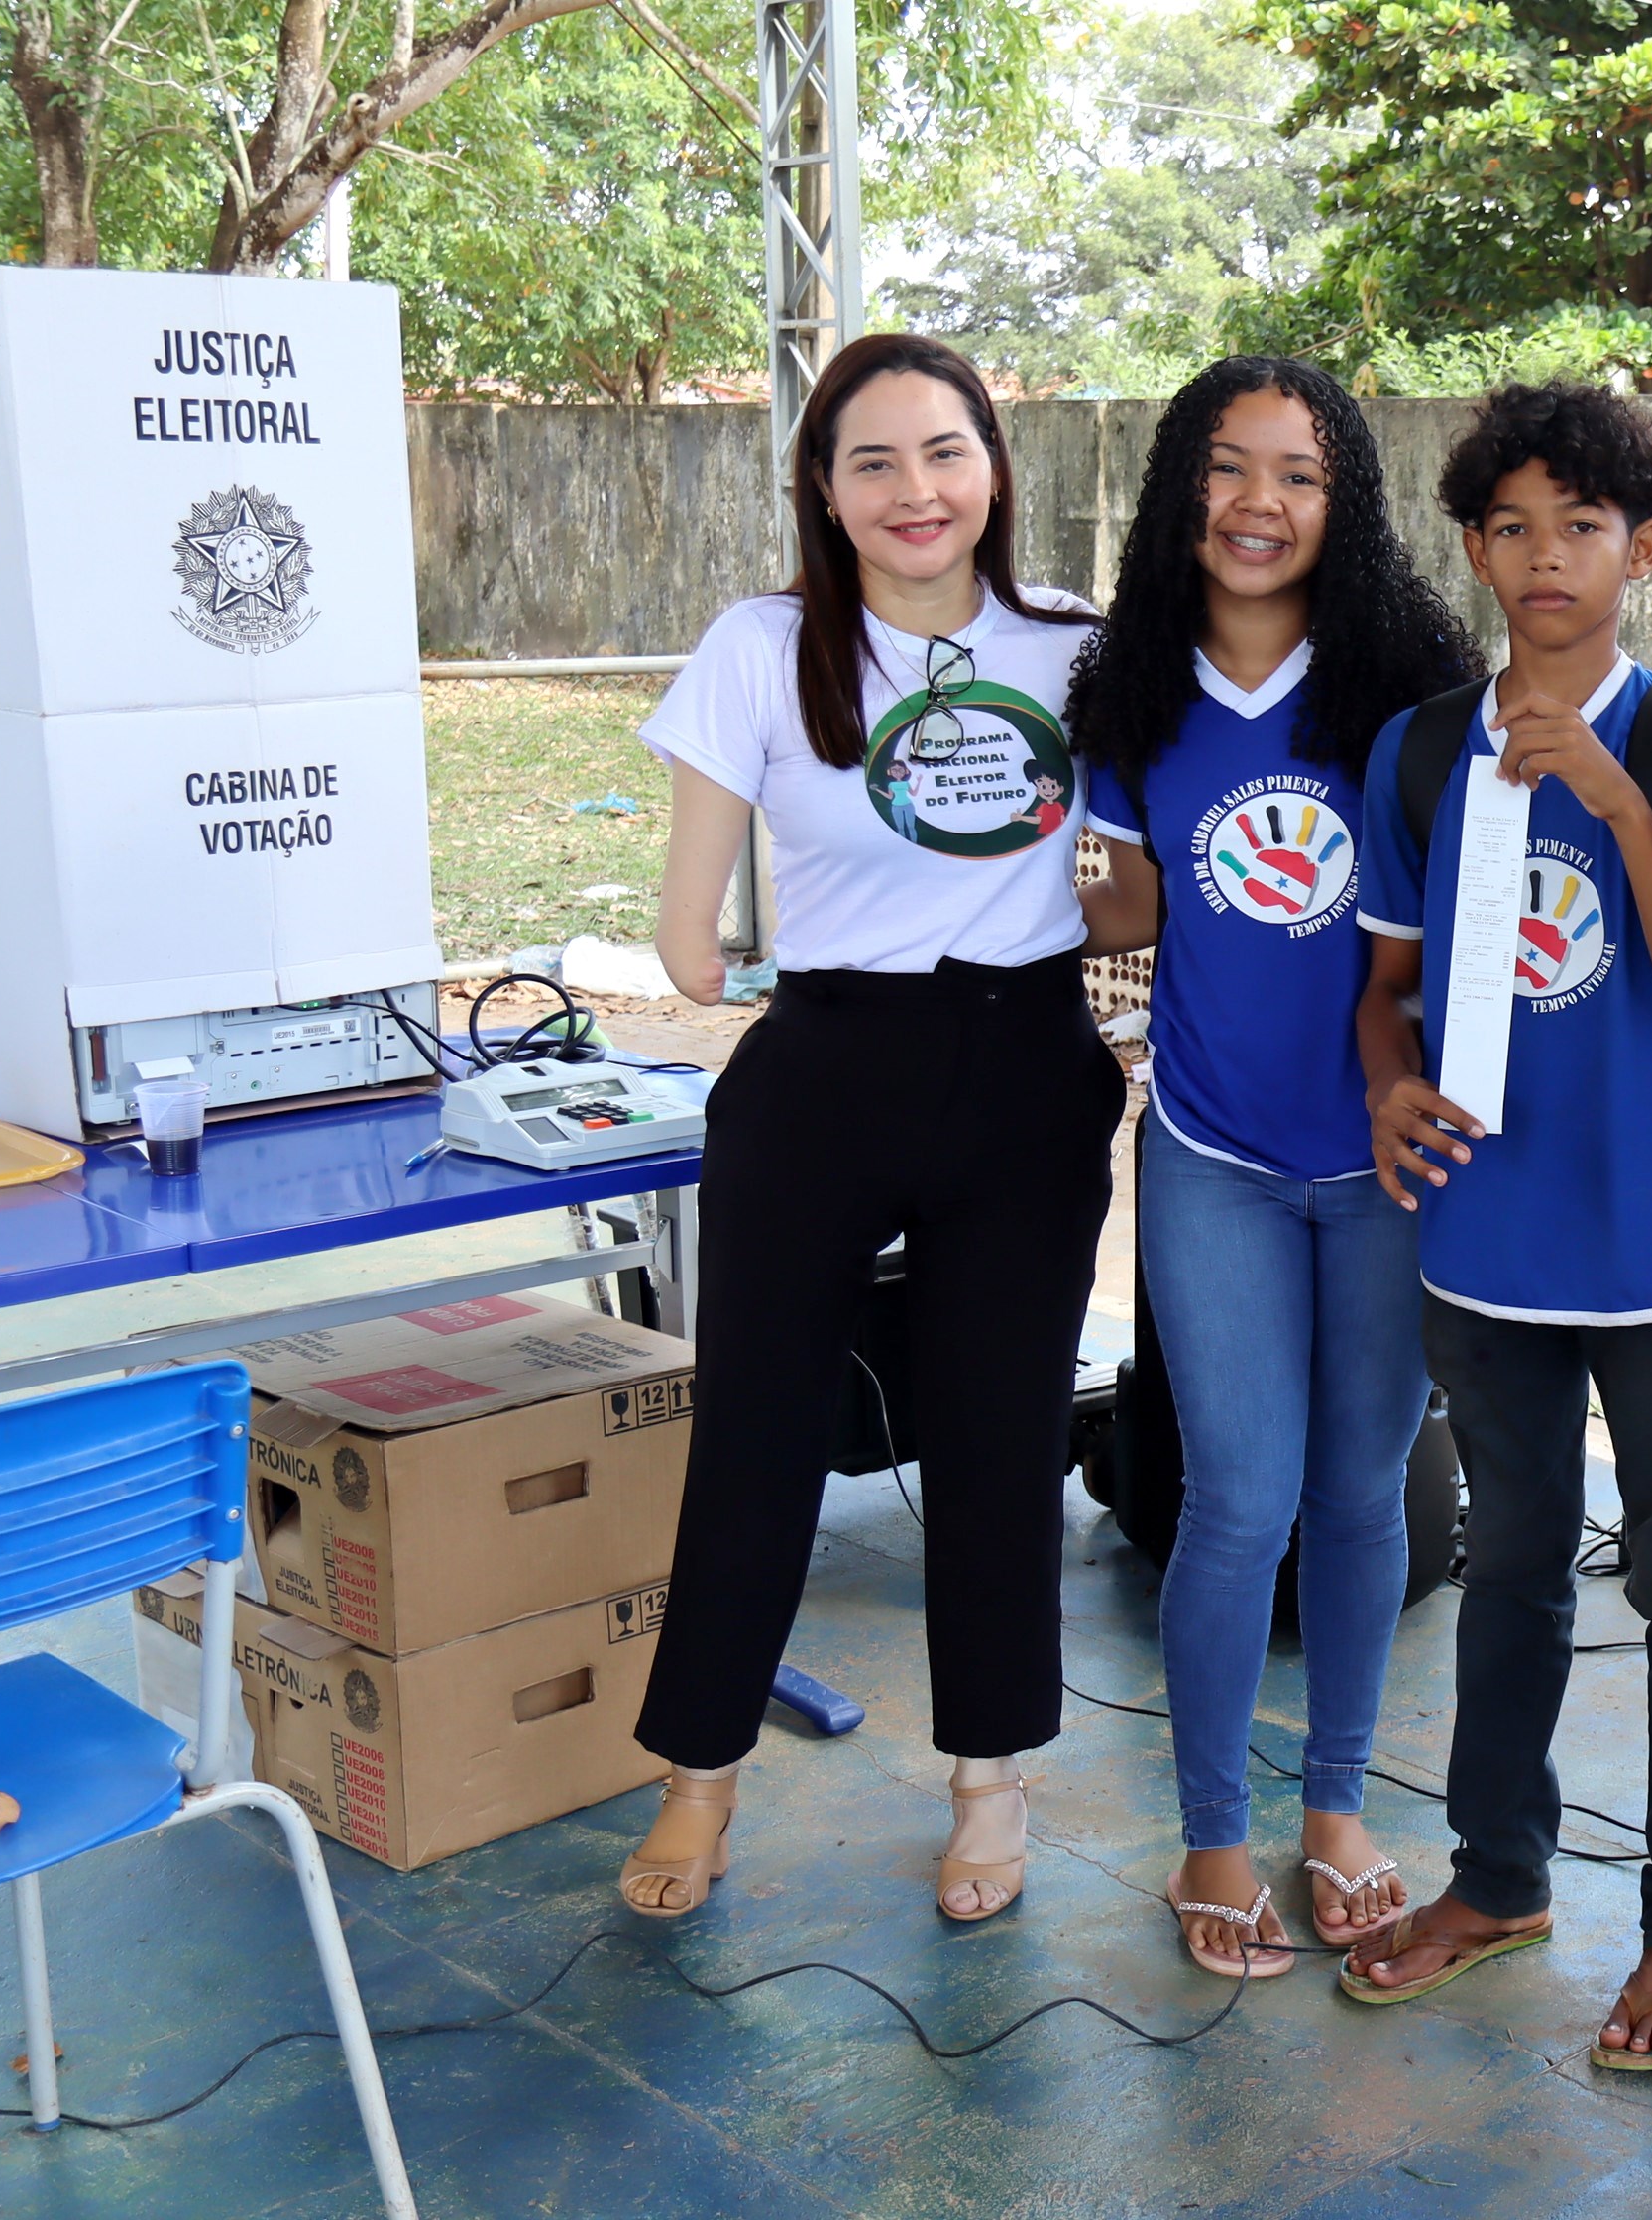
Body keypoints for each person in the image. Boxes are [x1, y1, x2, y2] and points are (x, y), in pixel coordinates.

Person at [620, 332, 1128, 1926]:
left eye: (945, 453)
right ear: (824, 493)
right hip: (826, 1067)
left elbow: (1136, 879)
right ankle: (697, 1787)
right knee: (755, 1439)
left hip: (1028, 1068)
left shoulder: (1079, 652)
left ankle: (991, 1787)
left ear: (995, 466)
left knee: (998, 1441)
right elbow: (687, 946)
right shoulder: (762, 647)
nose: (917, 491)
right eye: (873, 462)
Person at [1335, 385, 1652, 2083]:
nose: (1543, 558)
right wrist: (1388, 1091)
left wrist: (1619, 807)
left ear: (1642, 550)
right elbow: (1386, 993)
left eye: (1580, 527)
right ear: (1469, 547)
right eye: (1510, 527)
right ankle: (1500, 1880)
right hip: (1480, 1241)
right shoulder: (1421, 750)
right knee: (1510, 1568)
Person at [1069, 357, 1481, 1979]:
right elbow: (1126, 908)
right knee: (1236, 1500)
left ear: (1345, 502)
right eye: (1228, 471)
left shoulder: (1403, 684)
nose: (1259, 504)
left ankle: (1336, 1811)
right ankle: (1214, 1838)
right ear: (1183, 492)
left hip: (1385, 1161)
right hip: (1214, 1154)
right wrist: (1045, 843)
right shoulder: (1128, 688)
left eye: (1298, 475)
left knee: (1362, 1489)